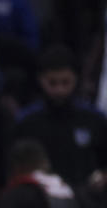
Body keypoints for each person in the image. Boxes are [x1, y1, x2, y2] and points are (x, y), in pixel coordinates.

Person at [13, 45, 107, 190]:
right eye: (52, 83)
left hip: (87, 198)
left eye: (65, 82)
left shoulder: (95, 120)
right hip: (40, 198)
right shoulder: (27, 122)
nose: (59, 90)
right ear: (40, 80)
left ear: (76, 79)